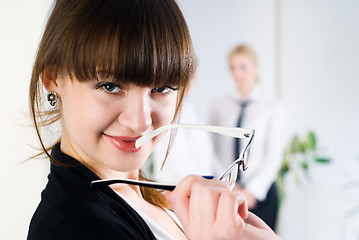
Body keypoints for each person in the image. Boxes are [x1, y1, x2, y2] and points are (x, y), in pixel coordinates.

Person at [27, 1, 281, 239]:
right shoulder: (73, 229)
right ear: (54, 78)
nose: (140, 123)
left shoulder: (145, 196)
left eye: (161, 88)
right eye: (109, 86)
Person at [209, 45, 285, 230]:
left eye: (243, 66)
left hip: (261, 194)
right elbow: (212, 151)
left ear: (255, 66)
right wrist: (230, 186)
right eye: (232, 67)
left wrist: (252, 191)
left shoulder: (272, 106)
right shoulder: (219, 106)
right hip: (228, 191)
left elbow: (274, 153)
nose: (237, 73)